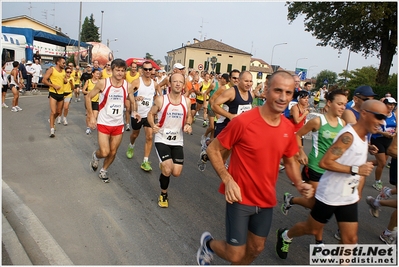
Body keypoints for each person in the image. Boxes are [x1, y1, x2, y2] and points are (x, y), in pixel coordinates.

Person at [196, 71, 314, 265]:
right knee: (235, 254)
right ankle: (208, 245)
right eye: (278, 91)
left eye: (288, 92)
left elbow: (291, 160)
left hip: (266, 199)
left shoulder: (286, 128)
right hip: (240, 197)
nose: (283, 97)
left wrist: (299, 184)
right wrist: (227, 179)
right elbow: (213, 149)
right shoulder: (244, 122)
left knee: (256, 248)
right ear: (266, 91)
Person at [276, 99, 387, 260]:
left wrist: (358, 192)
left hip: (348, 197)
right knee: (311, 229)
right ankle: (286, 235)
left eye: (383, 117)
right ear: (364, 113)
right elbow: (325, 162)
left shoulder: (364, 137)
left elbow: (360, 166)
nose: (382, 122)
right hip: (330, 195)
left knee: (350, 240)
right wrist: (356, 170)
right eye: (378, 116)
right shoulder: (348, 136)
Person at [281, 89, 347, 246]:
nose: (343, 107)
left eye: (344, 104)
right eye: (339, 103)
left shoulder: (342, 123)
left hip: (332, 170)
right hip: (315, 167)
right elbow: (297, 135)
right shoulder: (318, 121)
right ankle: (319, 242)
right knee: (319, 205)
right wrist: (301, 151)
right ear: (329, 103)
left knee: (317, 206)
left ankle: (291, 199)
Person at [87, 58, 139, 183]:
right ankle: (96, 156)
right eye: (117, 70)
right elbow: (89, 97)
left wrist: (135, 111)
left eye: (122, 71)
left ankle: (103, 170)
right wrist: (92, 116)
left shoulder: (127, 85)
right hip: (104, 122)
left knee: (113, 151)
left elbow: (132, 99)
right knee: (105, 152)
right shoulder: (103, 83)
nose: (120, 73)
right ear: (112, 70)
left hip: (118, 124)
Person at [147, 72, 192, 208]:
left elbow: (189, 116)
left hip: (177, 140)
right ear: (170, 84)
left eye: (180, 82)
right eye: (175, 81)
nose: (178, 84)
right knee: (167, 170)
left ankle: (165, 165)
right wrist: (153, 125)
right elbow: (151, 114)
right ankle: (163, 194)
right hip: (162, 138)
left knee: (176, 172)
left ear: (183, 85)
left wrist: (188, 124)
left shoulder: (187, 101)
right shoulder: (161, 100)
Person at [126, 61, 161, 172]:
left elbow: (158, 97)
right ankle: (131, 145)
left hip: (148, 115)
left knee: (149, 137)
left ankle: (145, 161)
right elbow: (127, 96)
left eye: (150, 69)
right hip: (137, 114)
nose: (148, 71)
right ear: (142, 70)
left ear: (152, 70)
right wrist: (135, 99)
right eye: (145, 69)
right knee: (135, 134)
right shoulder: (137, 82)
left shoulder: (155, 84)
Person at [370, 97, 397, 191]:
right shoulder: (379, 114)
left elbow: (396, 125)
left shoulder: (393, 115)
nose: (391, 106)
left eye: (393, 105)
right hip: (377, 139)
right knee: (382, 163)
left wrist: (395, 132)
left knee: (382, 163)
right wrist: (383, 133)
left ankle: (363, 164)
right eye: (389, 104)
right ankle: (377, 182)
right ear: (384, 104)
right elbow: (373, 127)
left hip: (388, 141)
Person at [42, 56, 66, 137]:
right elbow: (44, 80)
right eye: (63, 63)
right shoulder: (52, 69)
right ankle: (52, 130)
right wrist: (53, 85)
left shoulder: (63, 71)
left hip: (61, 93)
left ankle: (51, 120)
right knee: (53, 112)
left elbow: (64, 80)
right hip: (53, 93)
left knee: (59, 112)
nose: (64, 64)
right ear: (58, 62)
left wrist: (65, 81)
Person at [83, 69, 101, 134]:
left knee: (95, 115)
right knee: (89, 115)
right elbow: (83, 90)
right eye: (96, 73)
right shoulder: (88, 81)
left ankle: (92, 124)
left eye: (99, 74)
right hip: (89, 101)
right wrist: (90, 93)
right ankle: (88, 127)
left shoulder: (100, 82)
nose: (98, 75)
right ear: (93, 74)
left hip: (97, 101)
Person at [124, 62, 140, 131]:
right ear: (130, 67)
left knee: (132, 109)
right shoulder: (127, 73)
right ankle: (127, 124)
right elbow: (123, 80)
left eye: (135, 67)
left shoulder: (138, 74)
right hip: (127, 92)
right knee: (128, 108)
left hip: (134, 93)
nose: (133, 68)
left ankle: (128, 119)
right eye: (132, 67)